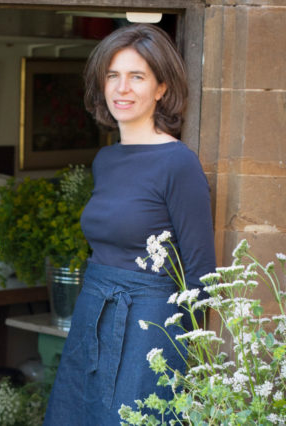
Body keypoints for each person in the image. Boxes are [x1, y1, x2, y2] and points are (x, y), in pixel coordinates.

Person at [44, 23, 216, 425]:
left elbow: (202, 277)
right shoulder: (106, 160)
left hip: (148, 327)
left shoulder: (179, 164)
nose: (122, 88)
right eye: (113, 76)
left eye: (137, 76)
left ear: (161, 88)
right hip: (94, 315)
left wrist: (180, 354)